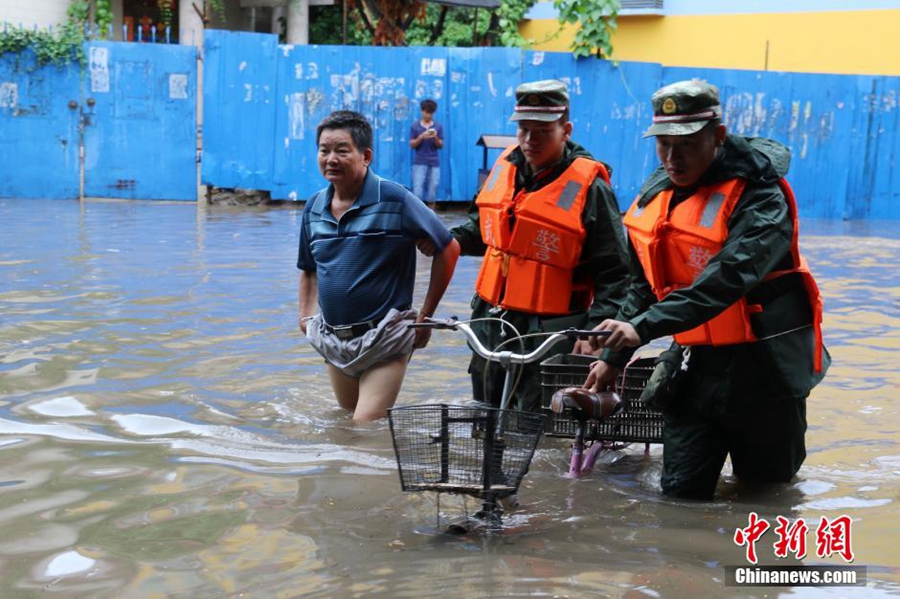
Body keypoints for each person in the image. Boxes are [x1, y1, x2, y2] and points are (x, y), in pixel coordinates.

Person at [584, 80, 831, 499]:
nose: (672, 157)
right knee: (679, 498)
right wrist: (612, 356)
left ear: (717, 136)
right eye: (663, 144)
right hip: (692, 368)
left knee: (767, 497)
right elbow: (644, 284)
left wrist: (641, 328)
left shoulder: (761, 197)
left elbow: (725, 281)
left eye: (686, 144)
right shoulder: (659, 192)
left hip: (763, 373)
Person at [448, 80, 632, 413]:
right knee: (483, 415)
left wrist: (593, 332)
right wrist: (446, 240)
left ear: (566, 131)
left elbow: (616, 272)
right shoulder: (506, 167)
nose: (530, 140)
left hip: (550, 332)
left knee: (535, 423)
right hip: (490, 324)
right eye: (524, 129)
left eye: (543, 131)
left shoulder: (590, 187)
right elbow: (482, 229)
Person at [298, 110, 460, 422]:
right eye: (324, 150)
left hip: (386, 336)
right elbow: (308, 268)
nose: (331, 159)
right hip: (334, 339)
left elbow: (449, 248)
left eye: (342, 150)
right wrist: (305, 316)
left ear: (366, 156)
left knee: (364, 426)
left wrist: (425, 316)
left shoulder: (395, 198)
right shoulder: (314, 207)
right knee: (345, 423)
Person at [409, 98, 444, 205]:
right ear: (422, 111)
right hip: (419, 162)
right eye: (426, 112)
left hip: (434, 162)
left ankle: (431, 213)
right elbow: (411, 145)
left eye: (431, 113)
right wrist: (421, 137)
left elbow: (441, 146)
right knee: (417, 190)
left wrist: (435, 137)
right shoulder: (415, 126)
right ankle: (417, 213)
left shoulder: (438, 126)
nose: (428, 115)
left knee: (433, 189)